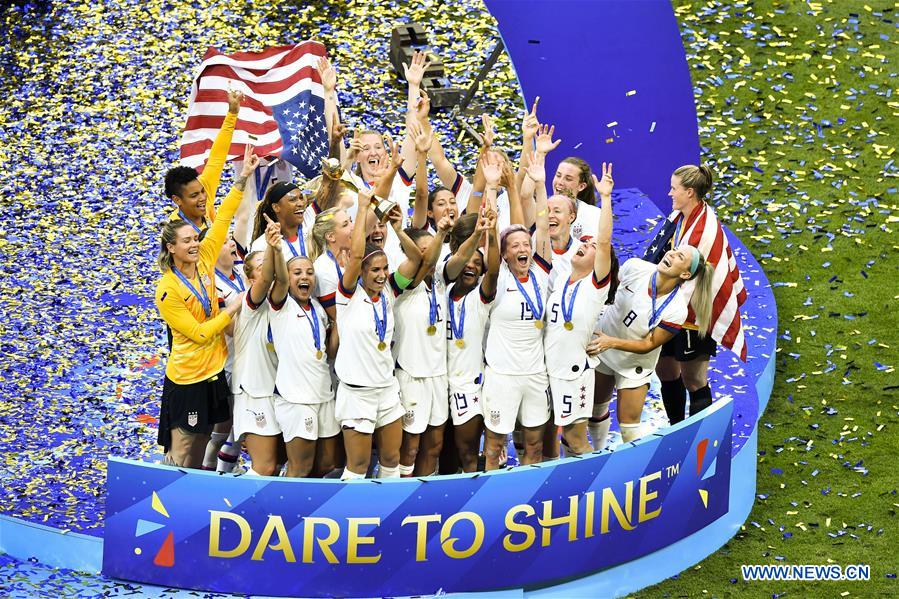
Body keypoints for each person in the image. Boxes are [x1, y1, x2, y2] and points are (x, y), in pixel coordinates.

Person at [154, 145, 259, 468]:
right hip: (187, 379)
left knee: (201, 446)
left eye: (195, 239)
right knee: (182, 452)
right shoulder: (167, 290)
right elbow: (199, 335)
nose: (194, 244)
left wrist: (242, 177)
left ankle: (195, 507)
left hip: (214, 372)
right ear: (171, 248)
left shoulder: (205, 259)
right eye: (186, 241)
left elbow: (224, 214)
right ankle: (168, 507)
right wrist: (231, 308)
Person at [334, 191, 424, 480]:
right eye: (375, 270)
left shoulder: (390, 290)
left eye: (385, 268)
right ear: (360, 271)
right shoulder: (347, 294)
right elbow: (358, 253)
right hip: (357, 392)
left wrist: (398, 227)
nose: (382, 274)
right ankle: (352, 522)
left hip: (386, 388)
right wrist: (362, 209)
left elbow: (416, 258)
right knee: (358, 467)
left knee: (391, 459)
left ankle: (389, 519)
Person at [589, 244, 715, 443]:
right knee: (595, 409)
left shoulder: (677, 310)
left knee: (629, 427)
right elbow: (610, 290)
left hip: (634, 364)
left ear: (684, 275)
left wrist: (611, 342)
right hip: (603, 347)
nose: (671, 254)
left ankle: (631, 470)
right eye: (674, 250)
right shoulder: (635, 267)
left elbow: (649, 344)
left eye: (679, 256)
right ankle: (598, 451)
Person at [480, 149, 551, 470]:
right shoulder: (497, 277)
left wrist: (540, 185)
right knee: (494, 445)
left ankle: (529, 499)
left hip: (535, 375)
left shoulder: (541, 272)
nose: (523, 248)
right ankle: (489, 499)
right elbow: (493, 237)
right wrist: (494, 188)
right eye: (515, 246)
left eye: (526, 245)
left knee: (534, 444)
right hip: (502, 377)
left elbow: (540, 228)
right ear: (505, 254)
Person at [543, 165, 614, 455]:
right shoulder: (561, 278)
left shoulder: (595, 287)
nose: (586, 245)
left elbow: (605, 241)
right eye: (585, 243)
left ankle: (592, 489)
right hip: (548, 367)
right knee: (549, 438)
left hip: (573, 372)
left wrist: (606, 199)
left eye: (592, 246)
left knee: (574, 439)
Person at [651, 165, 730, 424]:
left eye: (674, 188)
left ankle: (698, 439)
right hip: (672, 306)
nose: (669, 192)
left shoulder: (703, 230)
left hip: (692, 314)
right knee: (665, 370)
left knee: (694, 379)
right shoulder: (683, 215)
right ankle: (677, 428)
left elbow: (702, 279)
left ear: (690, 192)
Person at [269, 253, 341, 477]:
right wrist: (276, 249)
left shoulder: (318, 309)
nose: (305, 277)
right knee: (300, 468)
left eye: (310, 273)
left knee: (328, 465)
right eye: (297, 273)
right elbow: (279, 280)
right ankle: (284, 509)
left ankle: (313, 510)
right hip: (297, 399)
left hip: (324, 395)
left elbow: (329, 352)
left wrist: (338, 322)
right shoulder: (281, 305)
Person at [392, 214, 453, 477]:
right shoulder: (402, 282)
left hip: (438, 374)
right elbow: (423, 260)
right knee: (410, 447)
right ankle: (401, 496)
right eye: (426, 250)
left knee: (434, 445)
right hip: (411, 373)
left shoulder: (440, 280)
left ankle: (422, 499)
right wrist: (439, 233)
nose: (434, 255)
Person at [445, 209, 500, 472]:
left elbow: (494, 273)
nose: (471, 265)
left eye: (478, 264)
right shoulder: (440, 291)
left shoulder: (481, 298)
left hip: (467, 384)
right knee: (440, 451)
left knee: (467, 452)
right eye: (468, 261)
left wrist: (491, 232)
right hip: (436, 382)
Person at [230, 217, 283, 476]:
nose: (270, 271)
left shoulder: (284, 304)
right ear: (250, 277)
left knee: (276, 467)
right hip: (253, 391)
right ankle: (237, 510)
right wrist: (274, 247)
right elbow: (265, 282)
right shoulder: (250, 304)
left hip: (279, 392)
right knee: (264, 467)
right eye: (263, 267)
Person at [164, 90, 243, 232]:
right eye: (194, 195)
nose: (202, 198)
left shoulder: (204, 188)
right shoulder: (175, 231)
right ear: (177, 200)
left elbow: (217, 157)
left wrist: (232, 113)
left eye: (202, 192)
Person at [250, 181, 310, 258]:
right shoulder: (262, 245)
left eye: (301, 198)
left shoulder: (312, 229)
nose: (301, 204)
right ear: (276, 207)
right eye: (293, 200)